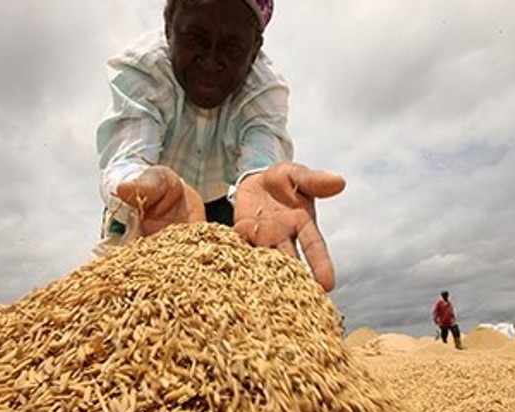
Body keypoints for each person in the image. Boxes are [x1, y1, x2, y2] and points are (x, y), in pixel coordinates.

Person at [95, 0, 346, 292]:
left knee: (229, 296)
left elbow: (260, 165)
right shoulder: (143, 70)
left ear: (254, 51)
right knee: (113, 292)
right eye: (195, 38)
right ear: (168, 28)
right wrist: (137, 190)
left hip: (234, 205)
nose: (211, 61)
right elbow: (127, 160)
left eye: (232, 48)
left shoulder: (265, 89)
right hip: (151, 203)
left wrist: (260, 177)